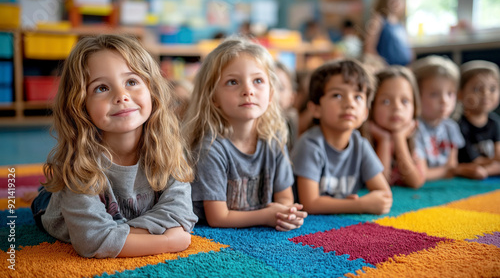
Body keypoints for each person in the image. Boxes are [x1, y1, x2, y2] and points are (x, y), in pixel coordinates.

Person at [30, 35, 197, 258]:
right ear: (80, 105)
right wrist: (166, 240)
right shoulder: (78, 164)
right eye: (101, 88)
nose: (121, 96)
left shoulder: (167, 147)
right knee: (51, 192)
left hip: (108, 215)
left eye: (131, 82)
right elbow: (90, 240)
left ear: (152, 90)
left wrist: (113, 233)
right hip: (53, 207)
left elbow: (181, 214)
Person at [183, 37, 307, 231]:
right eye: (233, 82)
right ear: (213, 97)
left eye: (258, 80)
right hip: (214, 238)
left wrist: (287, 214)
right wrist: (268, 215)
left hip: (258, 233)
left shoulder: (273, 141)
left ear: (271, 94)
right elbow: (218, 217)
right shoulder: (211, 148)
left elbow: (285, 197)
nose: (248, 90)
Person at [291, 59, 393, 215]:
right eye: (337, 95)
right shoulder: (310, 144)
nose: (349, 103)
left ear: (365, 112)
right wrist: (359, 205)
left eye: (358, 97)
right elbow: (310, 203)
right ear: (315, 108)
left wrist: (371, 202)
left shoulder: (360, 145)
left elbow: (384, 194)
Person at [411, 55, 485, 180]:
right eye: (434, 94)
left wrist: (453, 170)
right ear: (415, 95)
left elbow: (452, 165)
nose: (444, 101)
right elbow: (422, 174)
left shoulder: (451, 126)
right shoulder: (414, 128)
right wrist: (454, 170)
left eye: (450, 94)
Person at [362, 66, 426, 188]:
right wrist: (384, 141)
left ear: (415, 106)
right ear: (371, 105)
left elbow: (416, 182)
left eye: (405, 101)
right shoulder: (362, 138)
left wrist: (399, 138)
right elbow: (381, 182)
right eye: (386, 101)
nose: (397, 107)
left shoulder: (415, 133)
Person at [457, 60, 500, 177]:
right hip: (469, 167)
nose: (486, 94)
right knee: (477, 171)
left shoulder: (495, 122)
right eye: (477, 89)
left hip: (489, 167)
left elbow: (498, 152)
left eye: (492, 89)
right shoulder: (459, 126)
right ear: (460, 94)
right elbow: (475, 160)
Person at [364, 0, 412, 66]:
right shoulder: (378, 20)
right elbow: (368, 48)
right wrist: (382, 65)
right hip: (387, 68)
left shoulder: (400, 24)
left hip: (404, 67)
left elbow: (407, 48)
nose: (396, 1)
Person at [275, 61, 299, 151]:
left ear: (292, 97)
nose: (274, 93)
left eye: (281, 88)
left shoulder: (291, 121)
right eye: (269, 85)